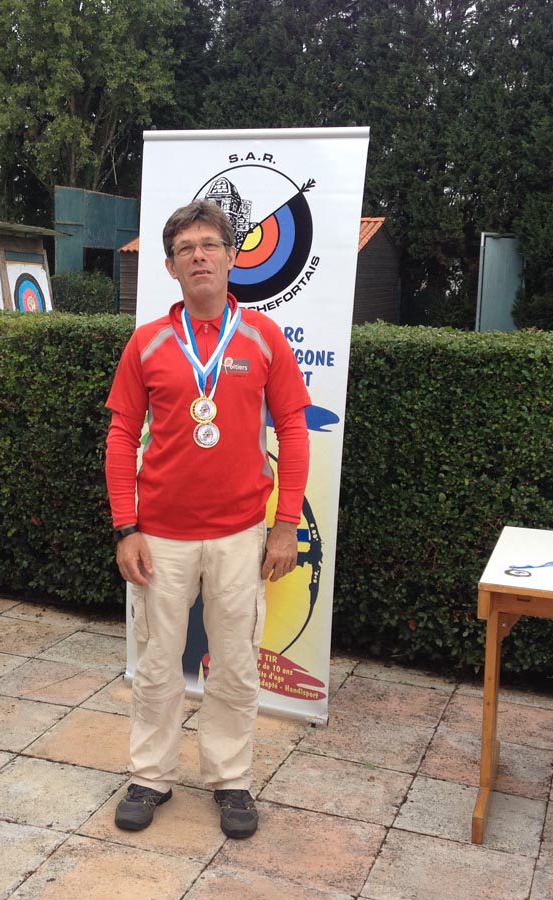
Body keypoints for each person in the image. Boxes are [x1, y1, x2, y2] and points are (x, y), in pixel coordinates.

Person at [105, 200, 311, 839]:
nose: (199, 256)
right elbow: (120, 435)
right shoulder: (146, 342)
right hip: (159, 537)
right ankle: (151, 775)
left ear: (230, 258)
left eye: (210, 245)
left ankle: (231, 779)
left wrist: (285, 525)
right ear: (170, 267)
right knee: (156, 661)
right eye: (185, 249)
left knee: (237, 663)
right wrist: (125, 527)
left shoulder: (263, 337)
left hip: (240, 534)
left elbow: (294, 429)